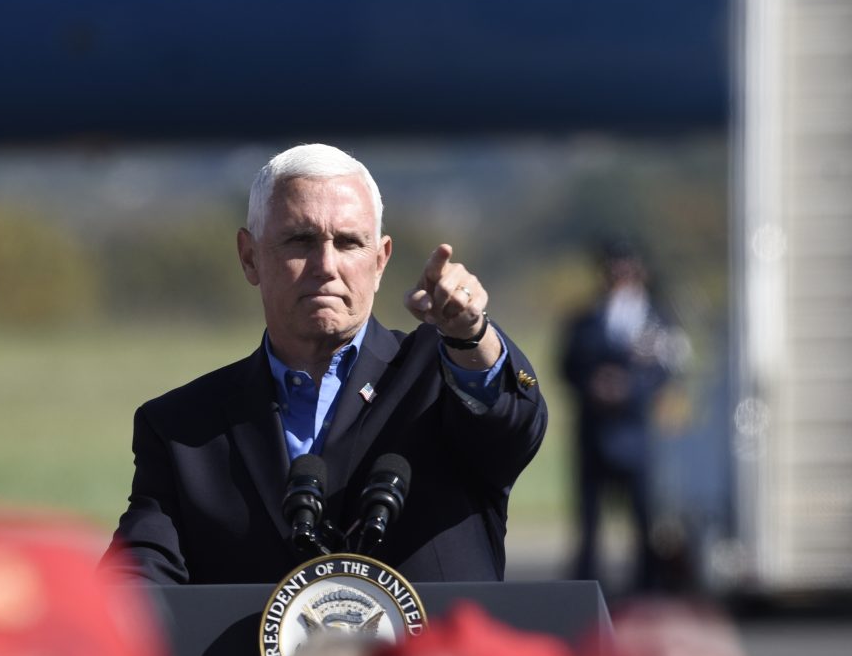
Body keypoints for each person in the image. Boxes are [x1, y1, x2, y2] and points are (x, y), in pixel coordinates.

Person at [105, 143, 547, 586]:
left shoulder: (438, 376)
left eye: (349, 242)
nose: (326, 265)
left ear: (380, 260)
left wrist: (470, 336)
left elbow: (512, 423)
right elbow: (137, 576)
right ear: (249, 256)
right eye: (301, 240)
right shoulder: (184, 429)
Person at [559, 238, 687, 590]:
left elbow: (668, 367)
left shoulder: (658, 320)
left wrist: (630, 388)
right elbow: (567, 367)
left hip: (636, 432)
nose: (620, 275)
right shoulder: (584, 319)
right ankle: (584, 587)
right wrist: (594, 385)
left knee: (644, 517)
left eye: (627, 268)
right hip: (594, 432)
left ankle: (647, 588)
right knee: (589, 521)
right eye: (612, 268)